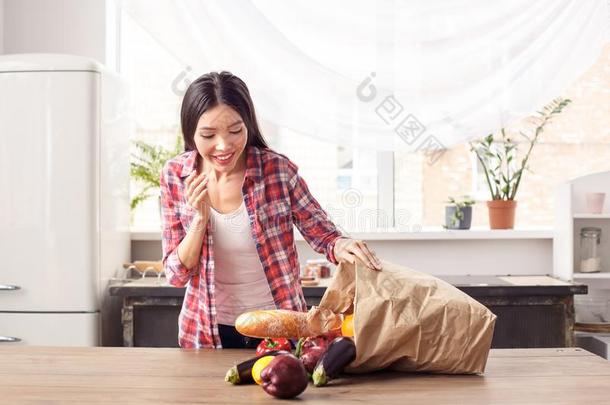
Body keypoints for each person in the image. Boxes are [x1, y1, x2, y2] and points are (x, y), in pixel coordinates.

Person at [160, 71, 382, 349]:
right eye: (208, 134)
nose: (223, 145)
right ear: (191, 133)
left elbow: (323, 236)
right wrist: (200, 219)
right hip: (205, 332)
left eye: (235, 131)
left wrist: (342, 245)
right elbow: (176, 274)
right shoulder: (175, 176)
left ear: (249, 126)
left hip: (280, 325)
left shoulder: (277, 170)